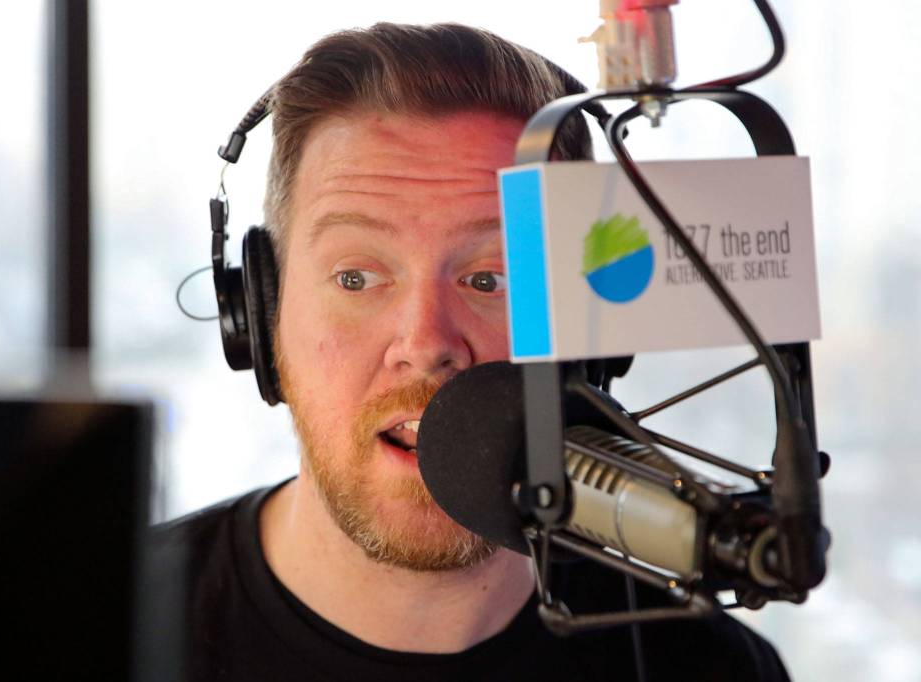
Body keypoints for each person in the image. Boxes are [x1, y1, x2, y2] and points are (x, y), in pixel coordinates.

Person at [156, 22, 790, 681]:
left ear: (591, 340)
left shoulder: (715, 668)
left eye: (491, 280)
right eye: (356, 278)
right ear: (261, 319)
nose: (425, 344)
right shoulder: (101, 628)